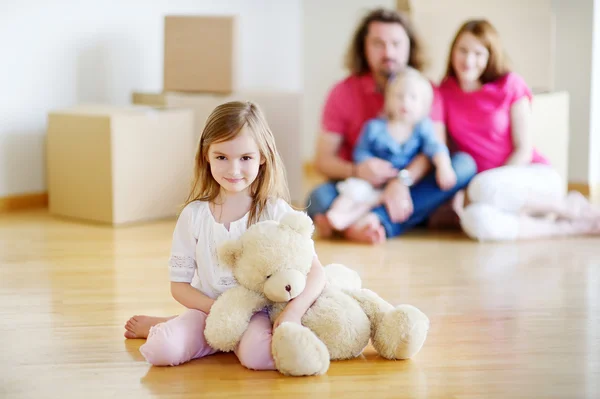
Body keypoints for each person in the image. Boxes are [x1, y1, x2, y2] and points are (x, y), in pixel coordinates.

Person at [123, 101, 326, 369]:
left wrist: (292, 313)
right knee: (162, 351)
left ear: (262, 156)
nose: (233, 170)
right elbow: (179, 286)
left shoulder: (275, 211)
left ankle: (192, 330)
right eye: (221, 157)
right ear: (206, 156)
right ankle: (171, 327)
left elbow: (316, 272)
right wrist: (221, 311)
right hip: (207, 310)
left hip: (257, 314)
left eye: (245, 158)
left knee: (260, 358)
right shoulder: (193, 216)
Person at [306, 7, 477, 244]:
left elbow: (433, 148)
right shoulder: (342, 93)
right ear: (364, 47)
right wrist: (357, 171)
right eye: (378, 43)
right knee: (318, 198)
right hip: (361, 182)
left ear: (409, 47)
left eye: (397, 43)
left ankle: (371, 221)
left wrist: (401, 181)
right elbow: (323, 160)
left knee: (464, 166)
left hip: (411, 183)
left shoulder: (424, 90)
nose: (388, 52)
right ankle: (388, 218)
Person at [438, 19, 600, 241]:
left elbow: (523, 149)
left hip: (529, 177)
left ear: (490, 57)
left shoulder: (510, 85)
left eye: (478, 53)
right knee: (475, 221)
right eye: (463, 51)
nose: (468, 60)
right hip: (488, 194)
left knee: (482, 188)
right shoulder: (444, 92)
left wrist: (494, 184)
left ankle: (566, 207)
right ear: (452, 51)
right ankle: (566, 228)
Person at [325, 67, 458, 232]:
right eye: (399, 96)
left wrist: (444, 166)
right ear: (388, 99)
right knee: (354, 191)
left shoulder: (423, 128)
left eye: (413, 97)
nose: (405, 102)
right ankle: (336, 216)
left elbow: (435, 147)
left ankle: (352, 222)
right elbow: (361, 151)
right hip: (373, 181)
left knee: (377, 201)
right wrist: (368, 164)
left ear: (424, 106)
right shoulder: (374, 127)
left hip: (406, 186)